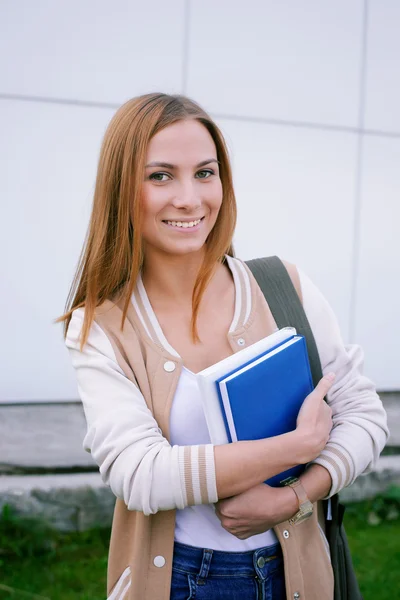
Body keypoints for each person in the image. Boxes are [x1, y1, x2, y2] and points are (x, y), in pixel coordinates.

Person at [58, 93, 389, 600]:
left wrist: (297, 495)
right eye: (160, 176)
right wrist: (293, 449)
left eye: (205, 173)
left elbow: (364, 415)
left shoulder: (286, 289)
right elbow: (141, 474)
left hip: (297, 575)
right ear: (122, 189)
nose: (189, 198)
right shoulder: (101, 326)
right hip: (177, 581)